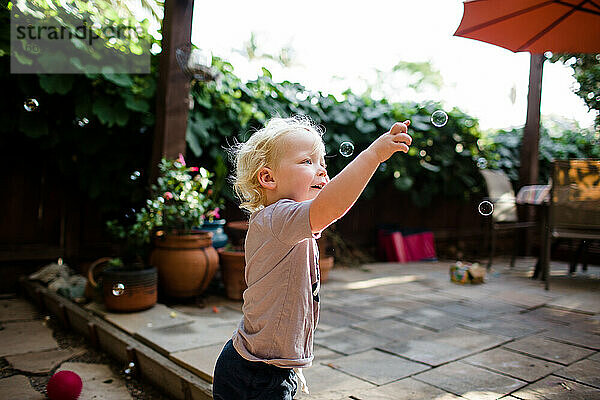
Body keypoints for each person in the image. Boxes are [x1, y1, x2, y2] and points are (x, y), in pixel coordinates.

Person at [213, 115, 411, 400]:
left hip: (269, 369)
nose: (322, 172)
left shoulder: (284, 223)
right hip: (255, 375)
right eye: (308, 162)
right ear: (268, 178)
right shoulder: (277, 218)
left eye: (324, 164)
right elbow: (331, 204)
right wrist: (374, 155)